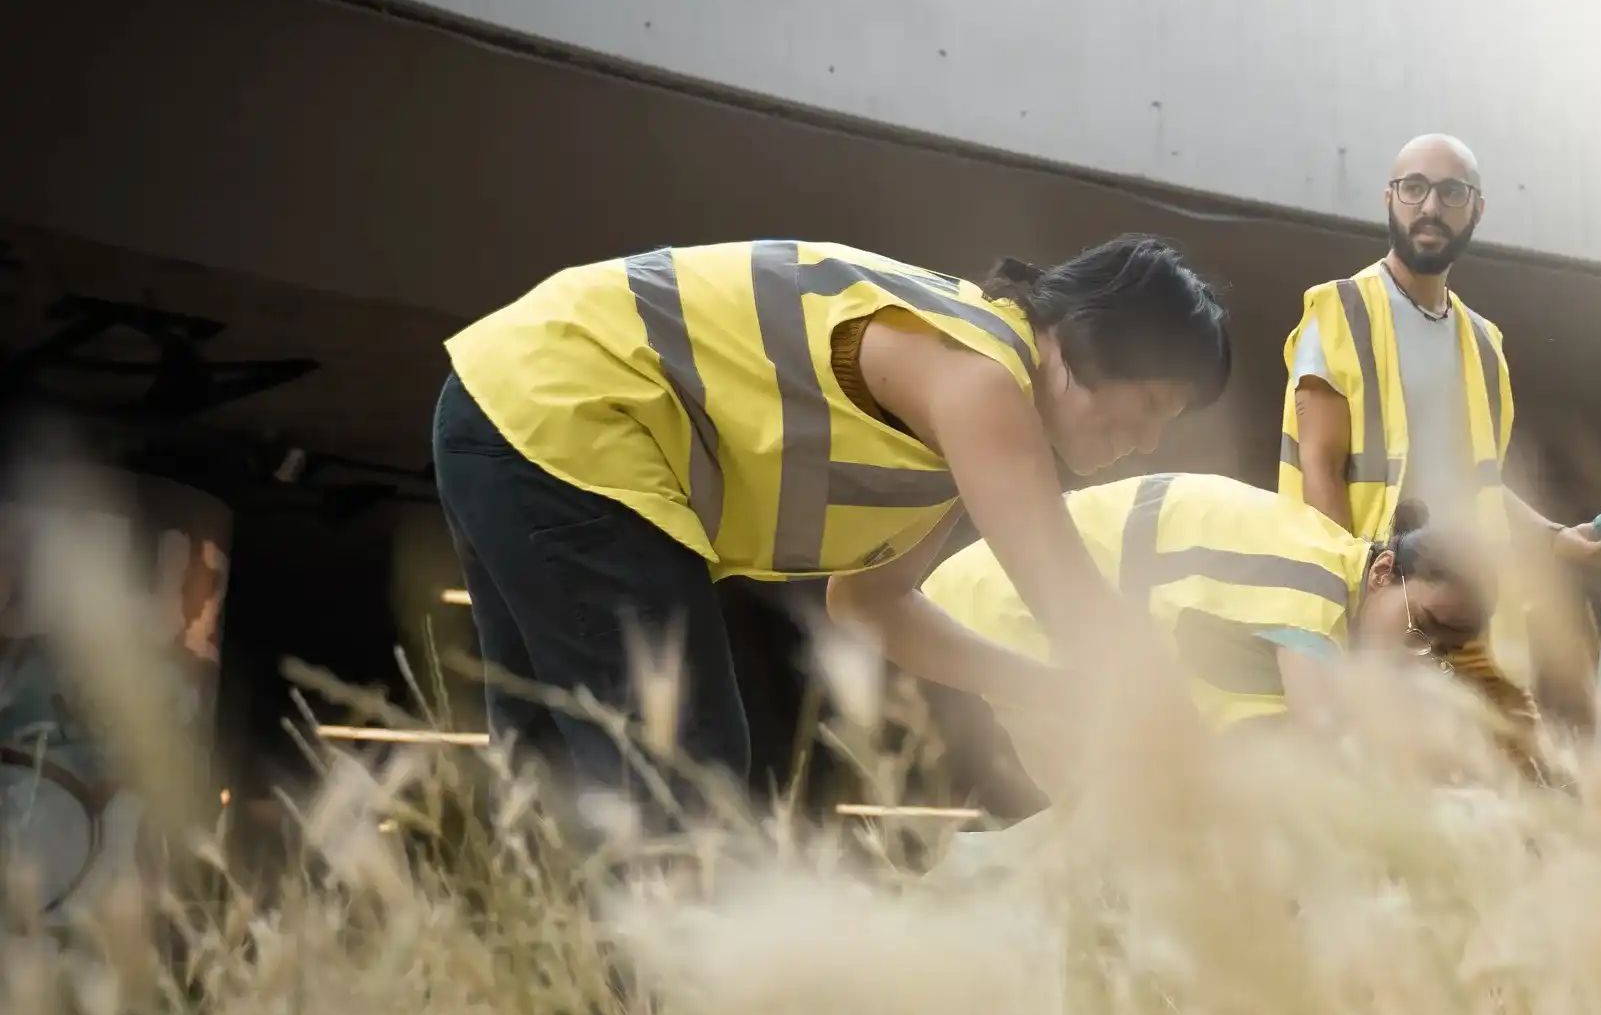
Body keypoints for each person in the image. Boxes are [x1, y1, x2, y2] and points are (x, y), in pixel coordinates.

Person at [432, 234, 1231, 809]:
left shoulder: (956, 421)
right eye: (1155, 403)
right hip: (571, 406)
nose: (1150, 440)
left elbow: (872, 605)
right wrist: (1186, 743)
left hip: (511, 405)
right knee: (680, 764)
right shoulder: (982, 374)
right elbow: (1072, 601)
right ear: (1098, 341)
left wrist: (1047, 690)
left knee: (555, 756)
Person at [1278, 133, 1601, 727]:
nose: (1430, 206)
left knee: (1507, 778)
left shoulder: (1485, 344)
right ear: (1390, 200)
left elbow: (1481, 484)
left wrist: (1556, 537)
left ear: (1476, 208)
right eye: (1415, 188)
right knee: (1381, 780)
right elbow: (1318, 466)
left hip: (1473, 611)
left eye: (1452, 192)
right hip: (1382, 602)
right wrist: (1349, 600)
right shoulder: (1341, 310)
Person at [919, 477, 1494, 803]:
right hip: (1014, 603)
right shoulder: (1315, 575)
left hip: (1043, 619)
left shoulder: (1323, 614)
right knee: (1116, 838)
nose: (1420, 656)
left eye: (1440, 654)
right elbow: (1325, 744)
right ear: (1383, 571)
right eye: (1425, 627)